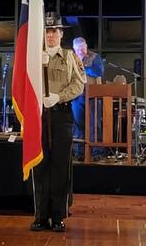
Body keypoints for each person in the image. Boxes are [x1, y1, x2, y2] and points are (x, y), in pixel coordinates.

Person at [30, 12, 84, 233]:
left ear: (61, 34)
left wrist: (58, 97)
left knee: (61, 166)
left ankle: (58, 216)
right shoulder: (34, 56)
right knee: (40, 166)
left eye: (54, 31)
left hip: (61, 115)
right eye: (47, 31)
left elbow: (79, 84)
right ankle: (40, 216)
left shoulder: (71, 57)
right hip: (39, 115)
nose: (50, 35)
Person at [70, 37, 103, 145]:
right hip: (76, 95)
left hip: (93, 95)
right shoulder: (70, 58)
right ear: (74, 49)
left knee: (94, 124)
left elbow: (98, 72)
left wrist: (84, 67)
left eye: (83, 48)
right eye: (78, 49)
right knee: (78, 124)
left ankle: (96, 152)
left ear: (86, 47)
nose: (81, 51)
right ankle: (79, 152)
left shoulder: (94, 57)